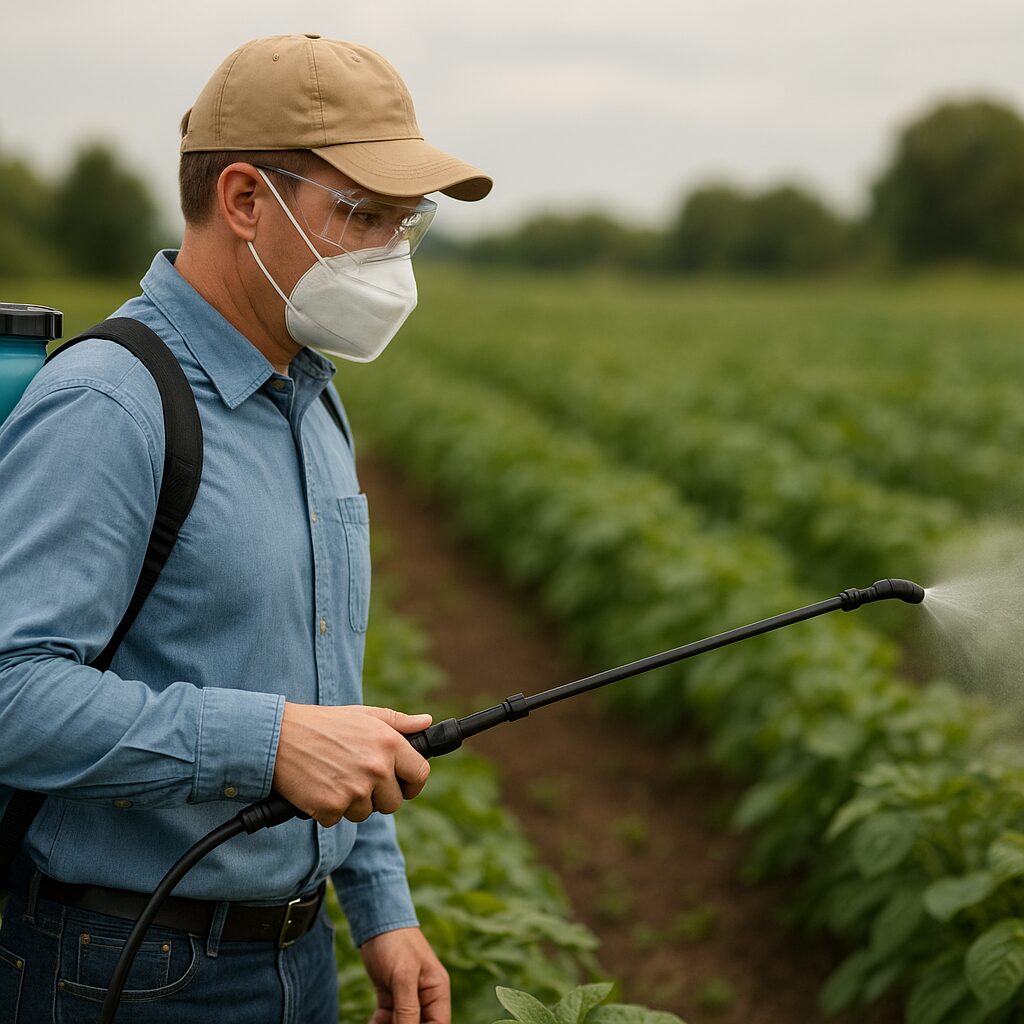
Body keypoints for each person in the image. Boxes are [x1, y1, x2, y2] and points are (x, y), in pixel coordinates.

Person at [0, 33, 491, 1024]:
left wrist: (378, 903)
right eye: (361, 215)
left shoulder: (308, 398)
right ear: (244, 201)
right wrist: (265, 745)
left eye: (407, 225)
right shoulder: (112, 405)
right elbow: (11, 692)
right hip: (120, 963)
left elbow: (321, 689)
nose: (390, 256)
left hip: (292, 958)